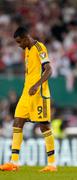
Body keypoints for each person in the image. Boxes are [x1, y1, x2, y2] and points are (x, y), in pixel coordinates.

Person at [0, 27, 57, 172]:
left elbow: (49, 69)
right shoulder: (27, 51)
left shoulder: (39, 47)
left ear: (26, 38)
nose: (19, 45)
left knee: (44, 126)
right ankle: (14, 162)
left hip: (39, 93)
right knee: (17, 122)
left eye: (20, 42)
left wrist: (37, 85)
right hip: (26, 93)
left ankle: (52, 164)